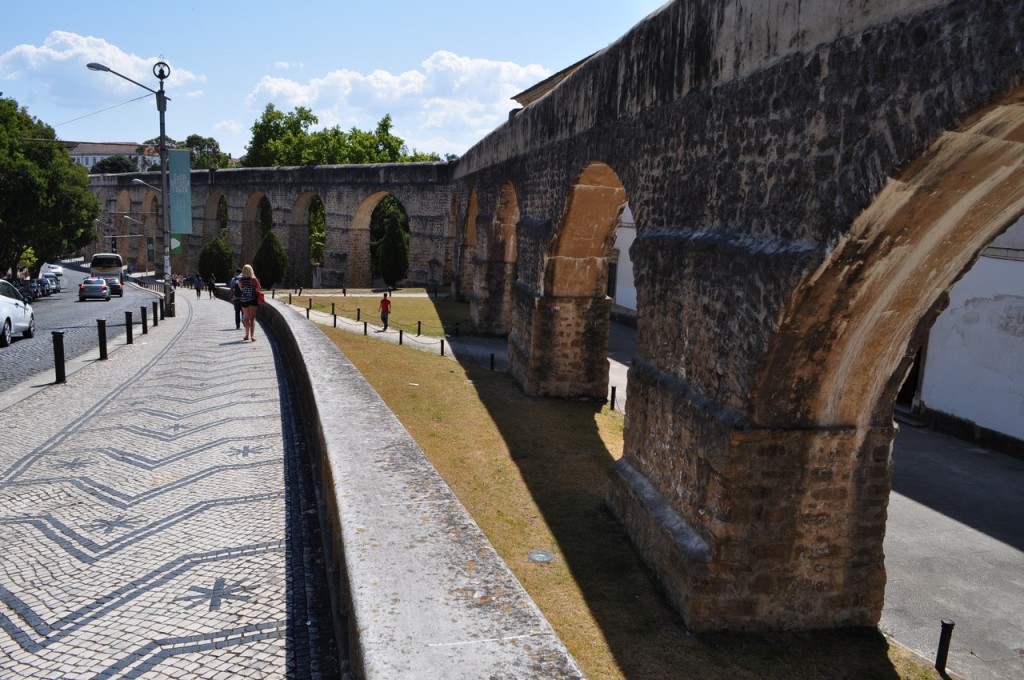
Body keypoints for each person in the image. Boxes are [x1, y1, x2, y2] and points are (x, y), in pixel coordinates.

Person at [234, 264, 262, 342]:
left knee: (246, 318)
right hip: (253, 299)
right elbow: (259, 288)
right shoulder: (253, 279)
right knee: (252, 318)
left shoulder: (240, 280)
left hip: (244, 300)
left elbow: (241, 289)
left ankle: (246, 335)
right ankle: (252, 336)